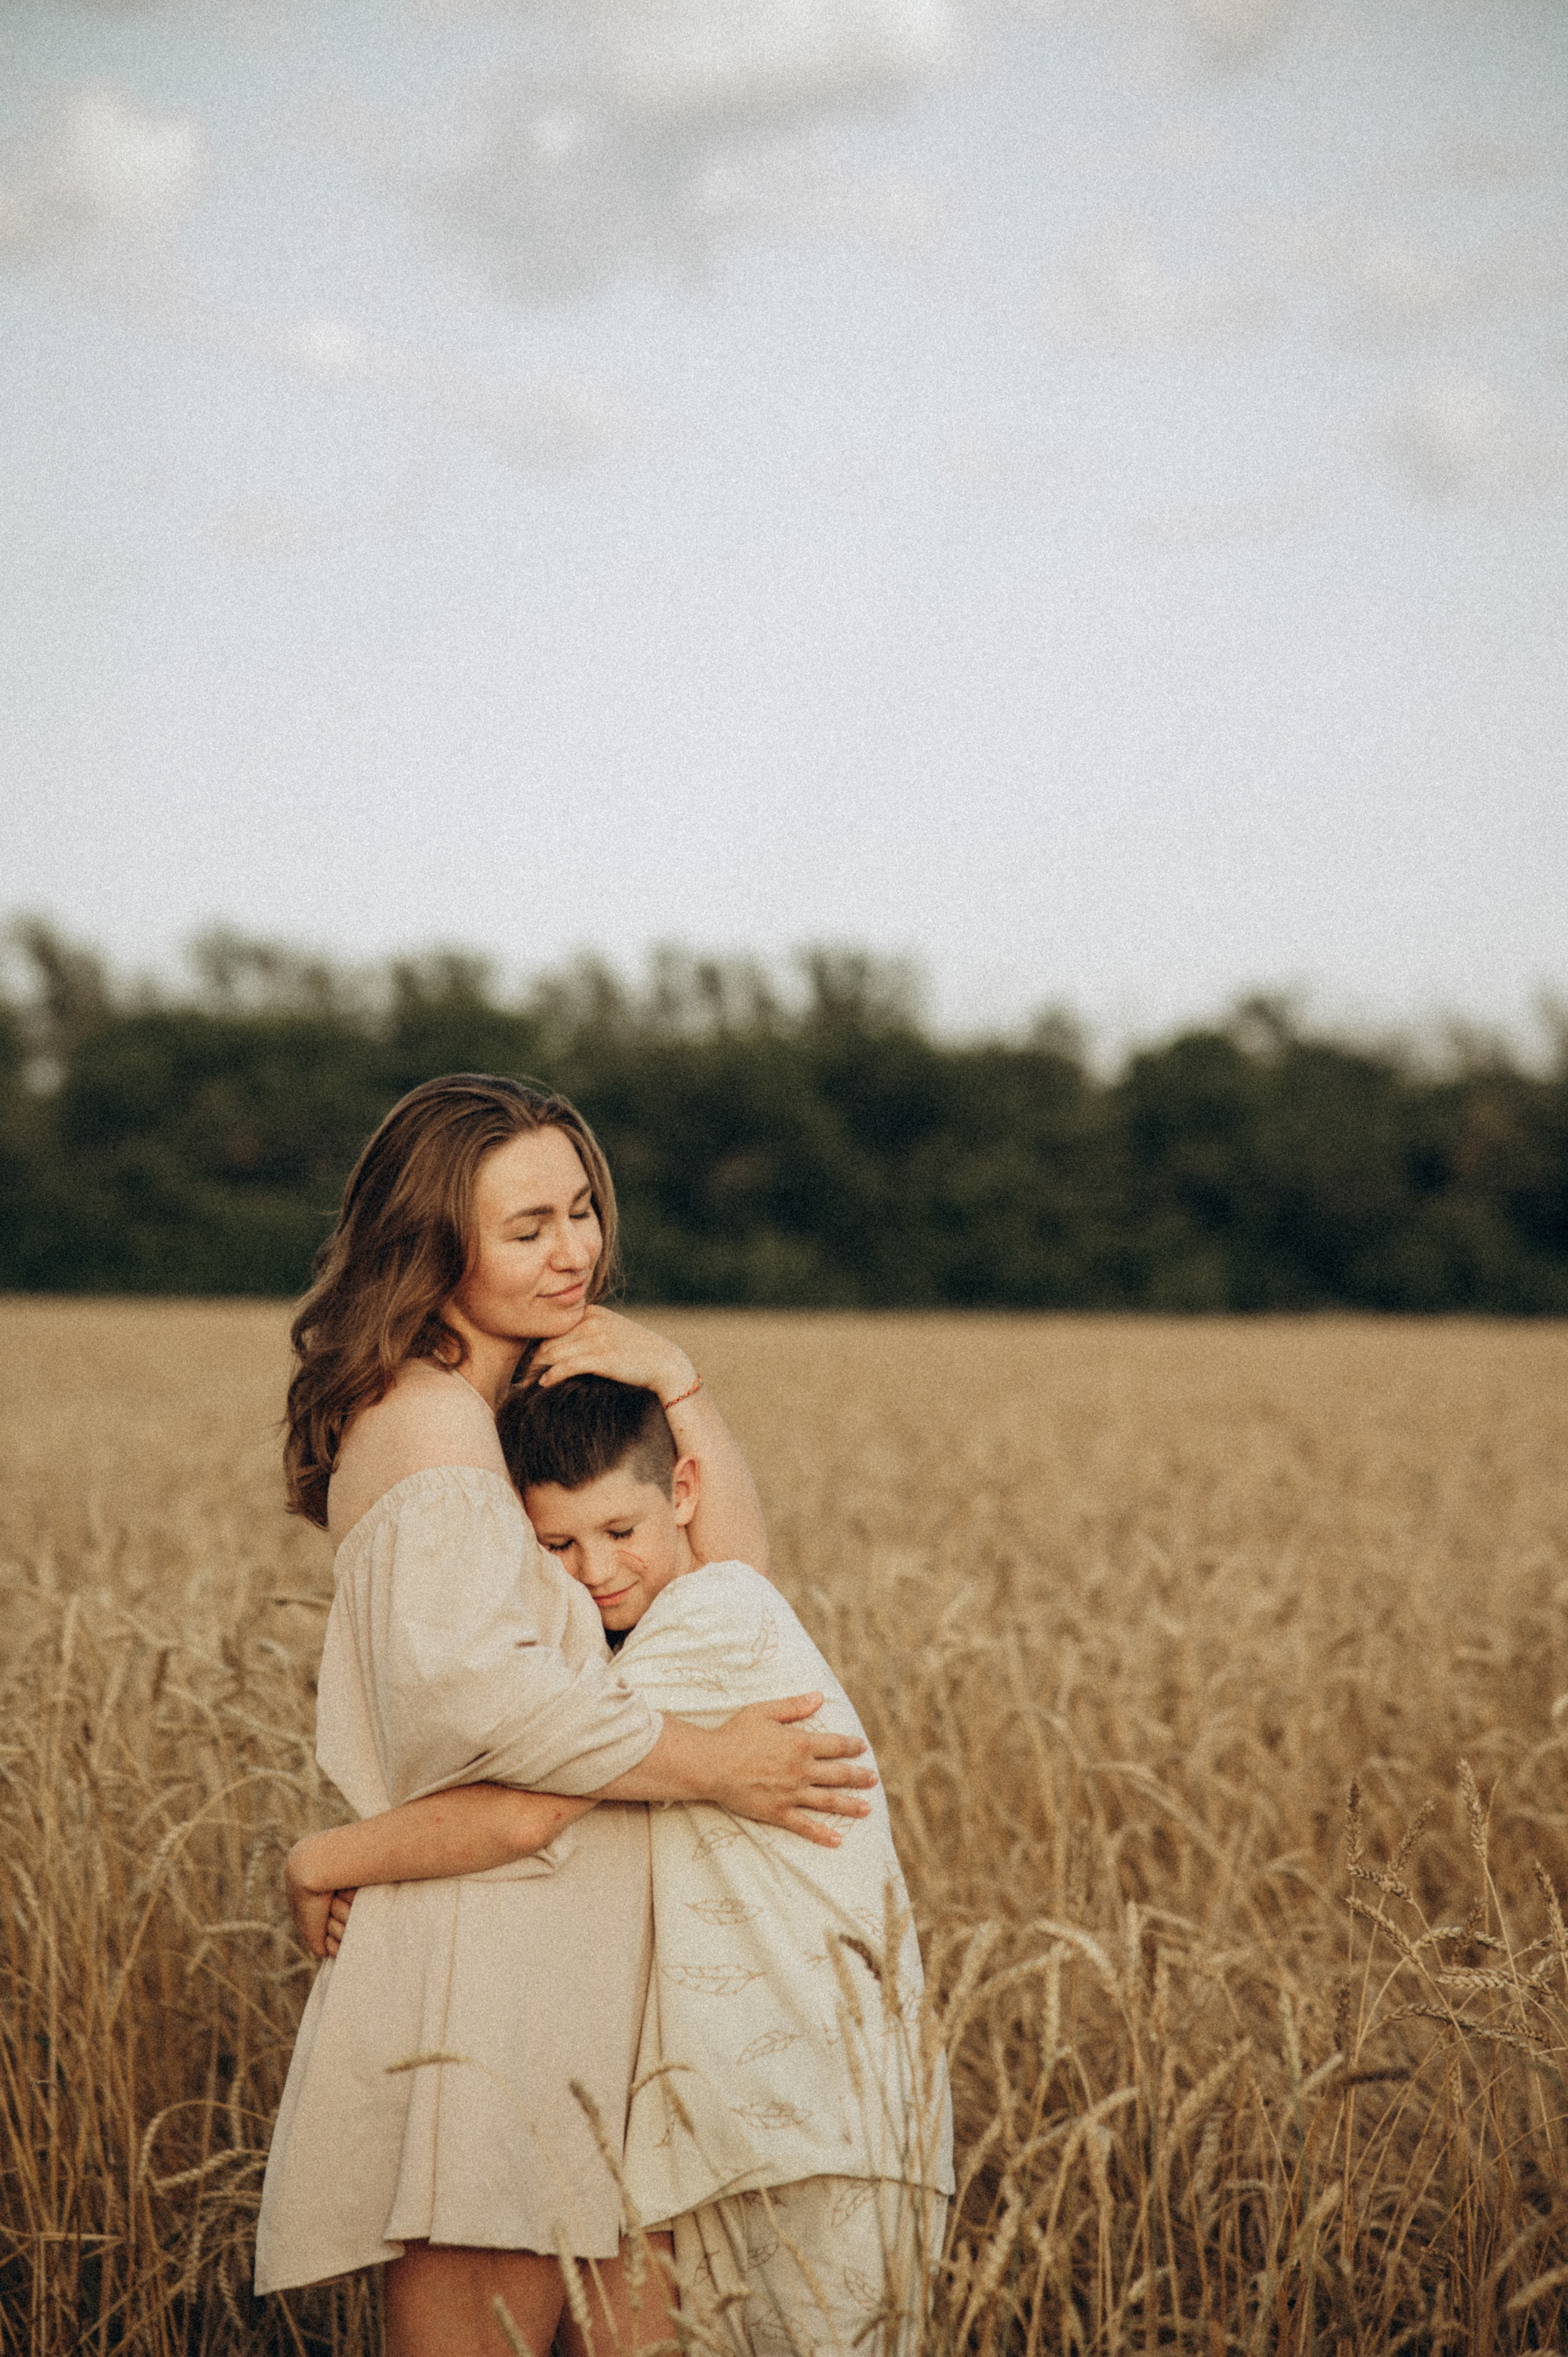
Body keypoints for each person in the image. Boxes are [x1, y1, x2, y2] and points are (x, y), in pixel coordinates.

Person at [254, 1073, 876, 2357]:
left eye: (581, 1210)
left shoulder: (524, 1407)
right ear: (435, 1246)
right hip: (498, 1970)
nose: (574, 1250)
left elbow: (723, 1597)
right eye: (527, 1227)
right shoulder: (433, 1430)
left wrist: (676, 1380)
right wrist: (719, 1766)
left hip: (589, 1961)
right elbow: (515, 1717)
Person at [288, 1375, 954, 2357]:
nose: (596, 1571)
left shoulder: (703, 1620)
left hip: (817, 2120)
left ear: (683, 1493)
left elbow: (531, 1809)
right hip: (788, 2106)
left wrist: (323, 1856)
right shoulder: (701, 1605)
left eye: (618, 1531)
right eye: (557, 1546)